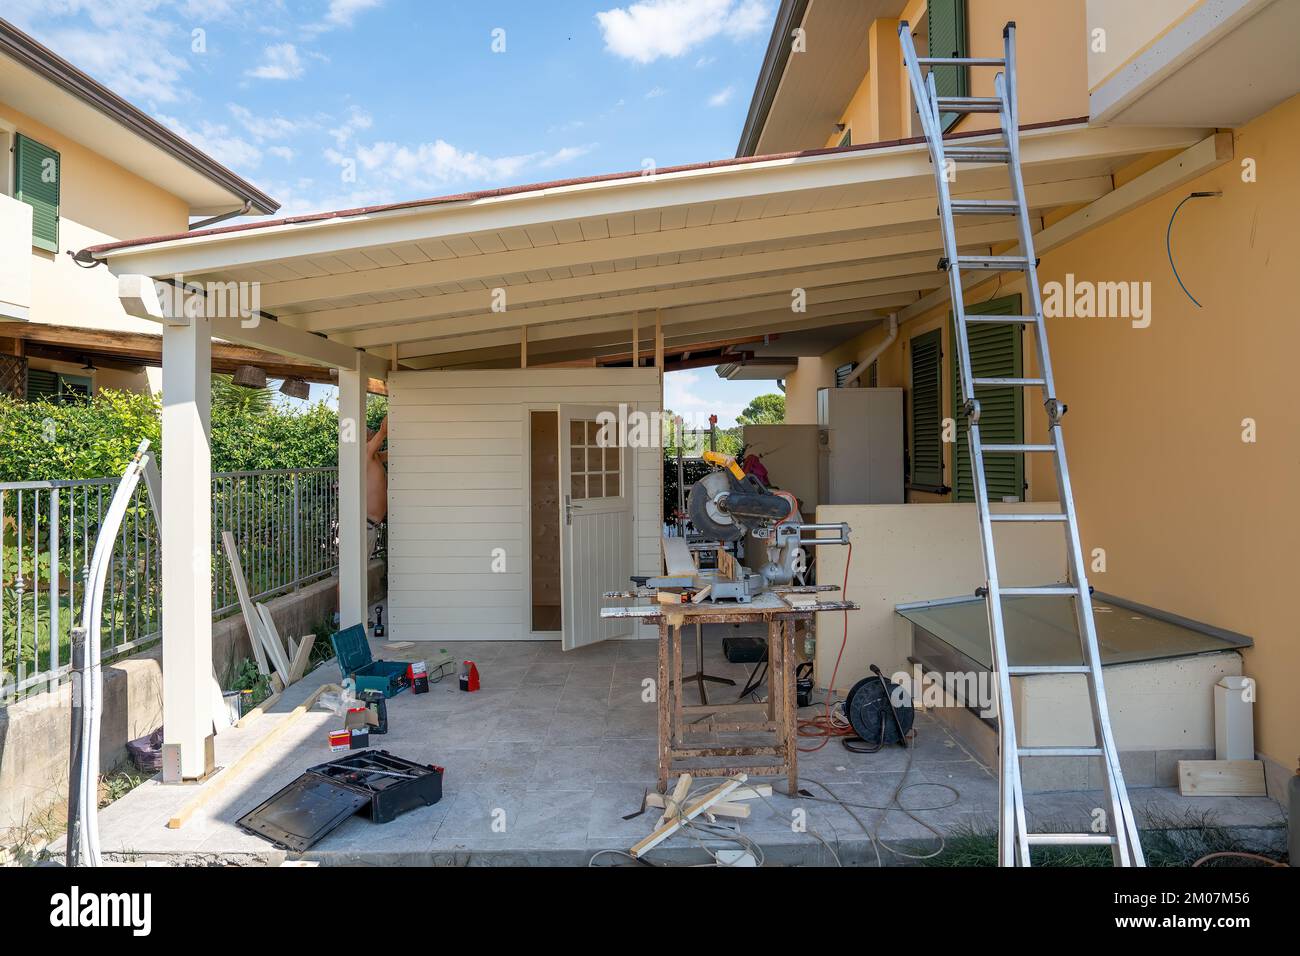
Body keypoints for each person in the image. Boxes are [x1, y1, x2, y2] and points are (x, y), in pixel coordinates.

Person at [366, 416, 388, 557]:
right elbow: (383, 430)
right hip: (364, 527)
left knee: (360, 572)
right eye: (369, 433)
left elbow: (394, 453)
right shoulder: (363, 452)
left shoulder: (375, 457)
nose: (372, 433)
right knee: (355, 575)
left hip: (370, 526)